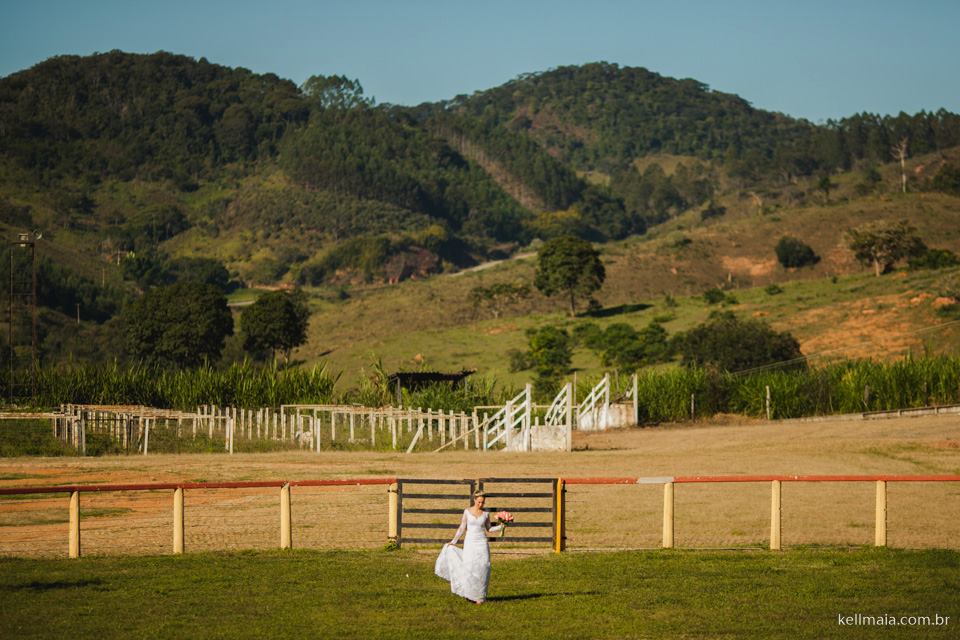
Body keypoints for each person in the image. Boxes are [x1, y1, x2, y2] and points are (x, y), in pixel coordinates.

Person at [434, 490, 504, 604]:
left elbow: (489, 528)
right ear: (474, 500)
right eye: (479, 502)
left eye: (483, 502)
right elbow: (462, 527)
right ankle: (469, 594)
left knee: (483, 567)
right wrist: (454, 541)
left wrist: (501, 527)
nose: (481, 504)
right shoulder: (467, 511)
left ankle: (480, 597)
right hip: (470, 542)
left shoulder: (486, 514)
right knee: (470, 567)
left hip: (482, 543)